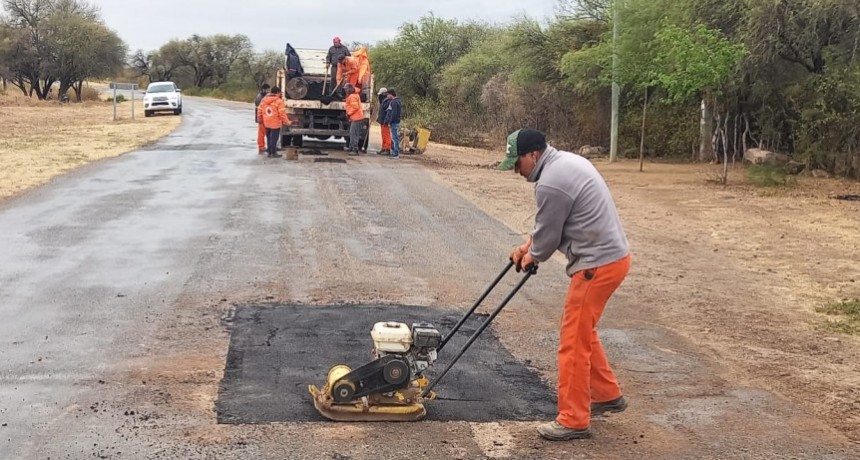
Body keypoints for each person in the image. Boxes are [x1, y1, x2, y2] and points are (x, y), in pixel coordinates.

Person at [500, 129, 631, 441]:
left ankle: (573, 419)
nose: (516, 171)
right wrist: (527, 248)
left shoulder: (550, 182)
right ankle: (606, 393)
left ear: (533, 155)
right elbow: (549, 227)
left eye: (517, 163)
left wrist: (532, 255)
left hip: (597, 266)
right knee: (582, 331)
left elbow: (546, 241)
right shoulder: (565, 163)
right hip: (613, 259)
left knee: (572, 341)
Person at [257, 86, 291, 159]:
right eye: (280, 93)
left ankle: (269, 152)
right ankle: (273, 153)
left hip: (266, 123)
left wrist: (260, 119)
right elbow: (282, 114)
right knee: (274, 139)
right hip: (275, 123)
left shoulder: (264, 100)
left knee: (269, 138)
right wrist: (287, 122)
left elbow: (259, 110)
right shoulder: (279, 101)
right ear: (277, 93)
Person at [344, 83, 364, 156]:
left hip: (356, 118)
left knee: (354, 134)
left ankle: (355, 149)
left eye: (346, 89)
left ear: (349, 89)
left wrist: (349, 113)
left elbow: (355, 107)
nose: (345, 90)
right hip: (355, 118)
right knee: (353, 133)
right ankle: (351, 147)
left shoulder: (352, 96)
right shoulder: (353, 95)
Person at [382, 89, 402, 160]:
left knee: (395, 138)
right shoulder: (398, 101)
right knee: (394, 138)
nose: (387, 96)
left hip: (394, 122)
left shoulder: (394, 102)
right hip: (396, 122)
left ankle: (396, 154)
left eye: (388, 95)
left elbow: (393, 113)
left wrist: (390, 122)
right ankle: (395, 153)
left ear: (391, 94)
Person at [254, 84, 271, 155]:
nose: (268, 91)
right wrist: (260, 118)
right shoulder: (261, 97)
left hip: (261, 117)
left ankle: (262, 146)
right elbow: (260, 108)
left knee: (263, 133)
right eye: (267, 90)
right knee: (261, 133)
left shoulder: (260, 96)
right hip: (261, 118)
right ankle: (261, 147)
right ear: (264, 89)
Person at [376, 88, 391, 155]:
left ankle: (387, 149)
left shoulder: (387, 101)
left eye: (381, 94)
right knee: (383, 135)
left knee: (386, 135)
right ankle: (384, 148)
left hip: (385, 121)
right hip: (382, 120)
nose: (380, 96)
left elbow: (388, 112)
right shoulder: (384, 101)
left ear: (384, 93)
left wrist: (386, 120)